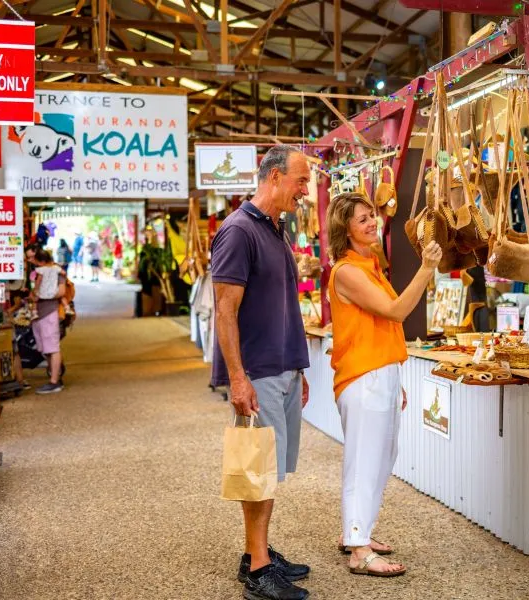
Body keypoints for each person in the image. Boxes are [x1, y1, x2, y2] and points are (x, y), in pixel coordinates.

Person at [211, 144, 313, 600]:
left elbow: (281, 303)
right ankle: (257, 568)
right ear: (274, 177)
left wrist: (298, 366)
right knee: (258, 470)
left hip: (283, 367)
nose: (305, 191)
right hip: (258, 371)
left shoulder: (275, 228)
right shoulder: (237, 231)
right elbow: (224, 311)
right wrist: (237, 377)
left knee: (270, 470)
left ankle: (259, 551)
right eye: (301, 181)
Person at [326, 192, 442, 577]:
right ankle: (358, 548)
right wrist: (426, 268)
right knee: (364, 461)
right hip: (364, 377)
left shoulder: (369, 264)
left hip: (380, 374)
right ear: (345, 229)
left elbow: (382, 325)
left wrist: (393, 377)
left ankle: (359, 532)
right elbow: (395, 311)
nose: (372, 222)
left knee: (382, 457)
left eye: (372, 215)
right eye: (362, 219)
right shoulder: (347, 271)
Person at [27, 247, 66, 394]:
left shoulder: (56, 271)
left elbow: (61, 292)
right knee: (44, 348)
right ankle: (54, 376)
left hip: (50, 311)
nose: (31, 261)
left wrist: (42, 294)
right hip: (38, 314)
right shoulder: (37, 273)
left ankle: (55, 381)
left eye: (33, 259)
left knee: (53, 347)